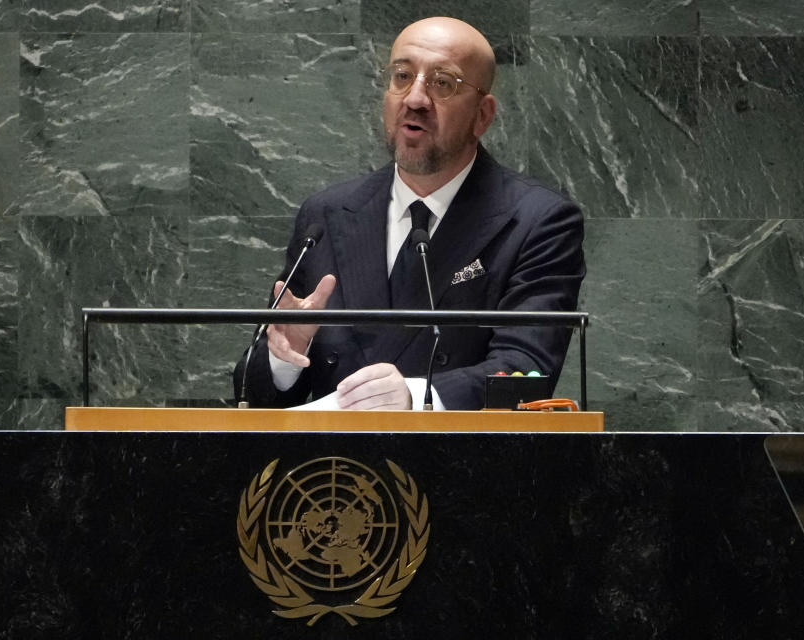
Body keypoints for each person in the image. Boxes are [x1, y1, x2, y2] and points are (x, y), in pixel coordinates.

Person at [233, 16, 585, 411]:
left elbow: (528, 371)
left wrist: (416, 398)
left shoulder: (538, 220)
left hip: (463, 464)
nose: (415, 99)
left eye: (442, 83)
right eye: (402, 77)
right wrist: (284, 360)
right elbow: (253, 392)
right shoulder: (326, 215)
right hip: (331, 468)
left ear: (482, 115)